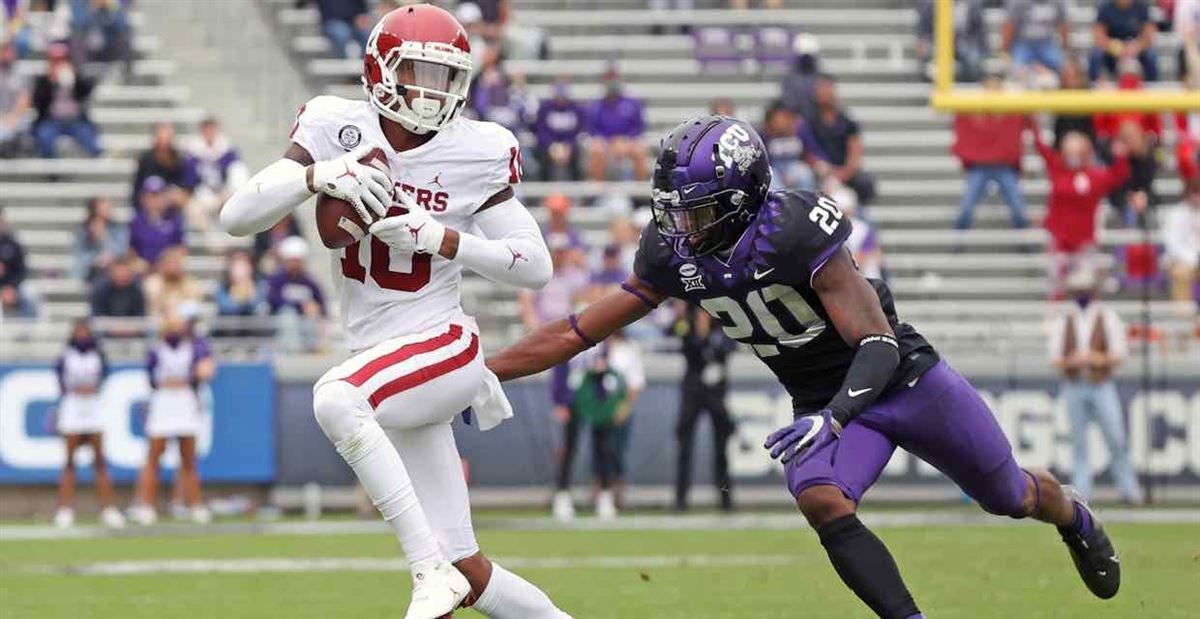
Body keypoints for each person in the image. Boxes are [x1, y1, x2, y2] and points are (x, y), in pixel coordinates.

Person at [487, 115, 1124, 618]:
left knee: (1008, 495)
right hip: (822, 402)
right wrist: (483, 369)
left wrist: (839, 416)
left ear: (743, 198)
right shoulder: (672, 254)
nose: (679, 226)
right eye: (672, 209)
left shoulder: (794, 229)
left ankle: (1072, 515)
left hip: (902, 381)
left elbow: (877, 342)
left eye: (697, 210)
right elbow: (577, 331)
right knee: (821, 498)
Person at [219, 7, 570, 618]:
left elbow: (535, 264)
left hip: (443, 342)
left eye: (445, 77)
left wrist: (442, 239)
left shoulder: (478, 149)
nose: (432, 91)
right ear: (381, 69)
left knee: (335, 399)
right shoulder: (335, 125)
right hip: (383, 356)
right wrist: (317, 176)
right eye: (419, 72)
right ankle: (465, 579)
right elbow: (236, 219)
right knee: (473, 569)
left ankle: (425, 572)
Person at [1049, 262, 1143, 506]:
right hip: (1074, 384)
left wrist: (1094, 358)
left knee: (1116, 438)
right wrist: (1073, 361)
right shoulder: (1064, 318)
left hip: (1101, 384)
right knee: (1079, 443)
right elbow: (1055, 359)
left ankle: (1129, 490)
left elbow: (1119, 355)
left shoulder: (1107, 316)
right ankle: (1083, 494)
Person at [518, 238, 589, 522]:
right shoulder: (542, 275)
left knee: (594, 439)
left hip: (579, 358)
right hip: (557, 353)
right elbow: (526, 302)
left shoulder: (577, 280)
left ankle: (596, 492)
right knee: (565, 438)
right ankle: (562, 492)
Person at [128, 314, 214, 526]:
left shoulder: (193, 348)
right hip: (164, 401)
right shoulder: (156, 351)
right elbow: (150, 378)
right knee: (154, 457)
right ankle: (146, 505)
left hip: (184, 399)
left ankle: (194, 505)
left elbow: (203, 370)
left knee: (188, 459)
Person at [1033, 119, 1131, 299]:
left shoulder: (1095, 176)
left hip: (1083, 240)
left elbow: (1119, 175)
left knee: (1084, 286)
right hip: (1059, 239)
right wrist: (1031, 121)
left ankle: (1082, 323)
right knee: (1056, 285)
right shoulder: (1057, 169)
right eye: (1069, 150)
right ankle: (1055, 321)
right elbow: (1041, 147)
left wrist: (1120, 156)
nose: (1073, 155)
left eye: (1077, 150)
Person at [53, 319, 125, 529]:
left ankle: (108, 508)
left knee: (100, 461)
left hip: (93, 407)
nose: (82, 336)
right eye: (79, 332)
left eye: (85, 332)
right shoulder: (65, 357)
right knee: (69, 462)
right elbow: (60, 383)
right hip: (73, 407)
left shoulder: (99, 356)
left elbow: (103, 378)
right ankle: (65, 509)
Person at [670, 302, 736, 512]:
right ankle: (681, 499)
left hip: (716, 391)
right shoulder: (686, 322)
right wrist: (693, 327)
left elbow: (730, 346)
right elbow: (678, 338)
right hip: (693, 388)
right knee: (685, 444)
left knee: (721, 446)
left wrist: (709, 335)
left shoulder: (723, 322)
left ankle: (725, 498)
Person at [950, 74, 1030, 233]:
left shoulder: (1012, 112)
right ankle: (956, 244)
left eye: (996, 89)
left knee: (1019, 210)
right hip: (979, 167)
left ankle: (1027, 247)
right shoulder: (972, 113)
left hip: (1003, 166)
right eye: (989, 89)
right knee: (965, 210)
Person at [801, 75, 875, 206]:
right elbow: (807, 152)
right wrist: (824, 170)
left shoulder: (846, 121)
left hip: (844, 171)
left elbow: (855, 151)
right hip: (819, 170)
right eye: (820, 88)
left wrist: (843, 173)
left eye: (827, 87)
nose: (824, 92)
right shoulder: (808, 121)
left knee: (864, 182)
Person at [185, 116, 248, 241]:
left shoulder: (228, 152)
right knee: (193, 208)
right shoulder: (193, 154)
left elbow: (237, 173)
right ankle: (214, 242)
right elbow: (189, 180)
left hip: (225, 193)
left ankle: (239, 239)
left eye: (212, 129)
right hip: (203, 195)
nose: (209, 133)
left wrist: (228, 192)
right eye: (206, 130)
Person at [32, 42, 99, 158]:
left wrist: (74, 79)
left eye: (62, 59)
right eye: (55, 60)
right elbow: (37, 102)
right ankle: (52, 172)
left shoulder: (77, 77)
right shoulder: (43, 80)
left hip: (76, 121)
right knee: (44, 137)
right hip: (51, 121)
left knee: (92, 142)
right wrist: (51, 82)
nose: (59, 63)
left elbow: (87, 91)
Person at [587, 65, 647, 181]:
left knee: (639, 151)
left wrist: (625, 140)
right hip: (605, 141)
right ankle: (597, 191)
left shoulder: (632, 103)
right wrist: (609, 141)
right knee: (596, 150)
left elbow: (639, 127)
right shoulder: (596, 106)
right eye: (608, 79)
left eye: (613, 78)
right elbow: (593, 129)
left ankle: (640, 195)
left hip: (627, 141)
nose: (611, 82)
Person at [265, 236, 325, 352]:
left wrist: (317, 310)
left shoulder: (309, 281)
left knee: (312, 318)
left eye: (298, 261)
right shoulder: (277, 280)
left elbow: (320, 303)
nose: (295, 264)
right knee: (288, 316)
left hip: (305, 321)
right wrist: (300, 305)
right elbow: (274, 301)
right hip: (282, 322)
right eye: (292, 261)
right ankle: (293, 350)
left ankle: (310, 349)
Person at [917, 0, 986, 83]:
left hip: (964, 44)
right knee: (933, 67)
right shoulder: (931, 5)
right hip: (938, 45)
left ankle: (965, 86)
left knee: (973, 59)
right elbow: (924, 32)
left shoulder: (972, 5)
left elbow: (978, 31)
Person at [1002, 0, 1070, 83]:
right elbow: (1009, 25)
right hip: (1023, 43)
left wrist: (1065, 48)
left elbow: (1063, 24)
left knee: (1064, 67)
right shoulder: (1017, 2)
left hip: (1048, 43)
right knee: (1016, 70)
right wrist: (1006, 49)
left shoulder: (1058, 2)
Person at [1091, 0, 1159, 81]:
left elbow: (1149, 35)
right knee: (1096, 54)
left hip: (1136, 49)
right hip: (1112, 50)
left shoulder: (1142, 7)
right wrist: (1114, 47)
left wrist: (1137, 46)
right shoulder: (1105, 8)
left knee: (1151, 54)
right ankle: (1094, 84)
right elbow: (1098, 35)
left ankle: (1150, 84)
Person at [128, 176, 185, 268]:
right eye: (150, 195)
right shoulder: (137, 221)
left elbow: (180, 248)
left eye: (158, 195)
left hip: (167, 268)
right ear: (143, 197)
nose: (154, 200)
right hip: (143, 269)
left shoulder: (174, 218)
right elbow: (131, 251)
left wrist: (165, 262)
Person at [533, 79, 584, 181]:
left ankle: (576, 189)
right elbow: (540, 130)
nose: (560, 100)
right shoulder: (545, 109)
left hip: (569, 146)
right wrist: (552, 146)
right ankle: (544, 188)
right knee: (542, 155)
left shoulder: (576, 109)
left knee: (578, 156)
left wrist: (568, 146)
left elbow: (579, 130)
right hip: (550, 146)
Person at [133, 122, 191, 209]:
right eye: (161, 136)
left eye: (167, 136)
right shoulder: (146, 160)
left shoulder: (179, 159)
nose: (164, 141)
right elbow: (138, 188)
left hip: (172, 200)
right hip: (150, 199)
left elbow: (184, 187)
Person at [1162, 178, 1200, 303]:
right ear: (1187, 194)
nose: (1197, 198)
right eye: (1194, 194)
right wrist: (1190, 260)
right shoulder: (1175, 214)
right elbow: (1171, 242)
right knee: (1181, 273)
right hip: (1182, 260)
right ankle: (1183, 316)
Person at [74, 196, 128, 282]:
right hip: (92, 270)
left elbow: (121, 250)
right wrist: (96, 259)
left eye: (109, 207)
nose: (109, 210)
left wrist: (104, 238)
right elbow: (80, 254)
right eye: (105, 207)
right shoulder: (83, 230)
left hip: (114, 267)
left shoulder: (118, 228)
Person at [143, 246, 201, 321]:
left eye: (176, 263)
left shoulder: (191, 284)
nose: (173, 267)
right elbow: (152, 309)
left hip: (184, 325)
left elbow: (193, 307)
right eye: (170, 263)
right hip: (158, 325)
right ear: (162, 265)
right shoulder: (151, 283)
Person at [1053, 58, 1097, 148]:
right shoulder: (1058, 97)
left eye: (1074, 76)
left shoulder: (1090, 97)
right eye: (1067, 76)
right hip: (1063, 147)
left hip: (1087, 146)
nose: (1071, 81)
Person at [780, 32, 822, 118]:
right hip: (796, 120)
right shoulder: (790, 78)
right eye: (804, 57)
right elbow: (788, 102)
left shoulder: (820, 77)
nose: (806, 60)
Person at [0, 41, 31, 157]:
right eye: (4, 51)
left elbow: (24, 99)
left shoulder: (21, 73)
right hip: (1, 117)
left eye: (10, 51)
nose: (7, 55)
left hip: (17, 117)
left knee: (18, 128)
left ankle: (10, 150)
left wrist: (13, 117)